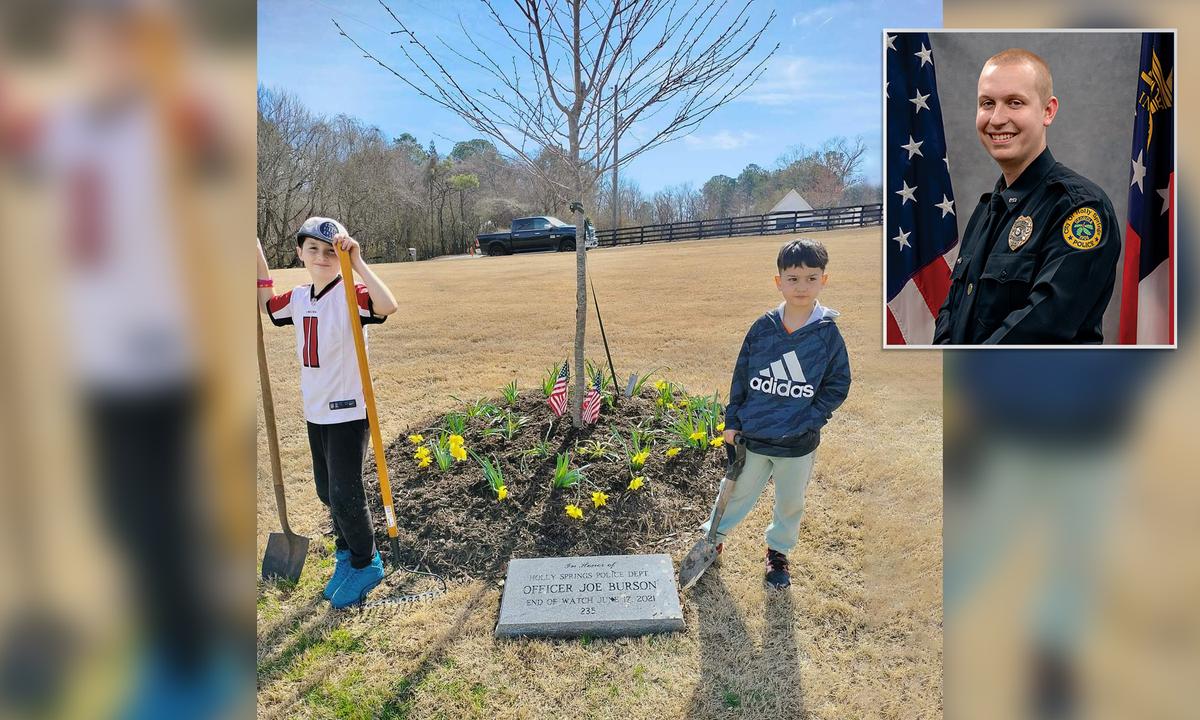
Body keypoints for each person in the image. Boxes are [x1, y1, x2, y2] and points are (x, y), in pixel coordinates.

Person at [256, 218, 398, 608]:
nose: (321, 257)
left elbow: (388, 305)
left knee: (345, 492)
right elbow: (268, 306)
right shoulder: (300, 297)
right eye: (312, 250)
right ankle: (344, 556)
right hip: (315, 412)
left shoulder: (352, 293)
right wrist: (254, 254)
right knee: (326, 491)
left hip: (349, 412)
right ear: (300, 253)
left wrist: (357, 260)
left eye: (329, 251)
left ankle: (366, 562)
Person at [934, 48, 1121, 344]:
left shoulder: (1080, 209)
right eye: (987, 103)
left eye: (1014, 103)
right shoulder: (986, 212)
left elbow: (1043, 328)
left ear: (1048, 111)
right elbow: (951, 312)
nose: (996, 119)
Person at [704, 238, 852, 589]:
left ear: (824, 281)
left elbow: (838, 383)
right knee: (735, 491)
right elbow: (741, 376)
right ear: (779, 281)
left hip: (798, 442)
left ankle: (778, 552)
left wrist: (811, 417)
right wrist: (733, 421)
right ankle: (712, 539)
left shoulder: (827, 334)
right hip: (754, 436)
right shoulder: (763, 328)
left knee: (789, 502)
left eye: (811, 278)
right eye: (793, 278)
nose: (802, 287)